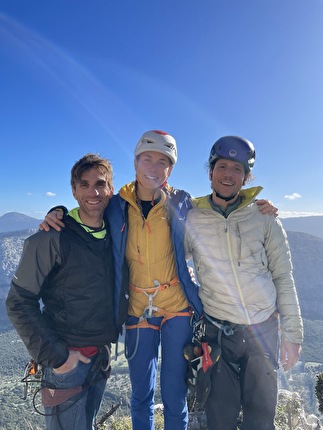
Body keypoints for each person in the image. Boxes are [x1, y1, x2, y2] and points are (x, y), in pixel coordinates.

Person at [40, 130, 278, 430]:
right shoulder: (117, 205)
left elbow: (220, 209)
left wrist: (259, 205)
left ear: (171, 168)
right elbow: (88, 209)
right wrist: (57, 212)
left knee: (174, 394)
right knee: (141, 393)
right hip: (138, 308)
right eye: (147, 159)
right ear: (136, 162)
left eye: (162, 162)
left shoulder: (181, 203)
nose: (153, 167)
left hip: (176, 306)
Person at [184, 136, 304, 430]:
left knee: (261, 418)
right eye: (221, 166)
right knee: (219, 417)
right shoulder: (193, 218)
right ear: (210, 172)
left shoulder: (264, 218)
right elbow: (171, 260)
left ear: (247, 176)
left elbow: (283, 276)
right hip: (218, 332)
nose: (228, 174)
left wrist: (293, 333)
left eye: (237, 169)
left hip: (262, 330)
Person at [6, 153, 129, 430]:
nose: (93, 192)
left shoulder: (115, 234)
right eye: (83, 185)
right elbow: (18, 302)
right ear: (73, 191)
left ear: (110, 189)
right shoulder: (51, 237)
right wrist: (59, 358)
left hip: (100, 356)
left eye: (100, 184)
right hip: (66, 362)